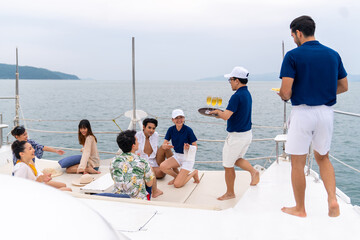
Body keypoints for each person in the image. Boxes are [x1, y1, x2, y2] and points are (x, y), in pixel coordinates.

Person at [279, 15, 348, 218]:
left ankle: (300, 208)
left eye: (293, 35)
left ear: (298, 33)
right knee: (323, 158)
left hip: (302, 113)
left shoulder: (292, 56)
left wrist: (282, 95)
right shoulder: (333, 54)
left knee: (298, 163)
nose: (293, 40)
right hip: (326, 113)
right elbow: (344, 86)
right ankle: (332, 200)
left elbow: (286, 93)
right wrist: (322, 91)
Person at [210, 66, 259, 201]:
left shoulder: (236, 96)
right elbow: (232, 114)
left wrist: (216, 113)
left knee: (228, 165)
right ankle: (254, 172)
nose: (230, 82)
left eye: (231, 80)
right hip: (247, 134)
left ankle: (230, 193)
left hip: (236, 137)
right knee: (237, 159)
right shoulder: (247, 94)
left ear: (237, 80)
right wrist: (221, 113)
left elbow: (226, 116)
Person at [159, 109, 200, 188]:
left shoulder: (188, 130)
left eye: (181, 117)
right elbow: (164, 144)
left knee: (177, 185)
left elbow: (195, 146)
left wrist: (188, 148)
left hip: (188, 158)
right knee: (162, 166)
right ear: (173, 120)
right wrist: (165, 146)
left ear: (184, 118)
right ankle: (177, 177)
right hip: (177, 156)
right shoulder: (171, 130)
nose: (179, 120)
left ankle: (194, 173)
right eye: (176, 118)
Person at [111, 130, 154, 200]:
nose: (139, 142)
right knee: (149, 174)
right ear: (133, 145)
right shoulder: (142, 161)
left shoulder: (114, 161)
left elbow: (114, 178)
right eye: (137, 140)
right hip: (137, 199)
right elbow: (149, 184)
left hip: (118, 198)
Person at [135, 118, 173, 198]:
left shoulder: (155, 135)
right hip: (143, 163)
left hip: (154, 161)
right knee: (158, 172)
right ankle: (151, 179)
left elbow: (155, 150)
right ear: (144, 127)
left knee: (164, 147)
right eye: (149, 127)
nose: (151, 130)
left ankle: (176, 173)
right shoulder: (137, 136)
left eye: (153, 128)